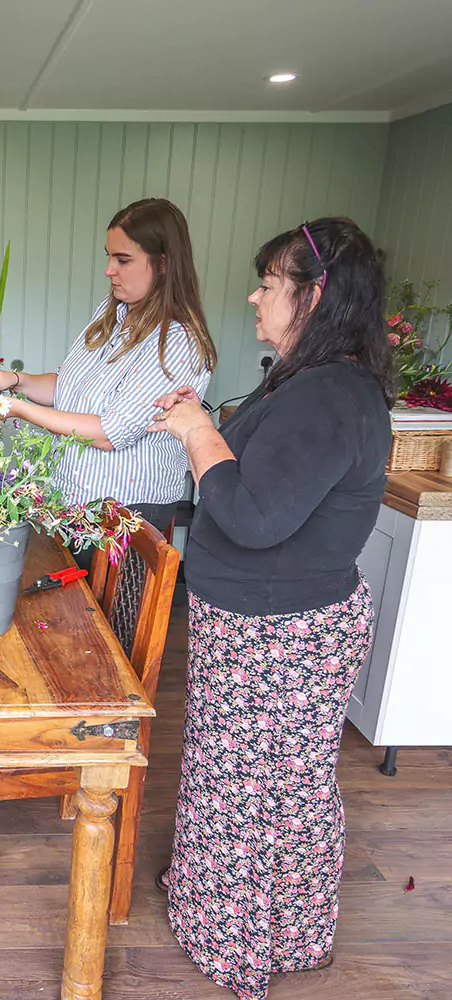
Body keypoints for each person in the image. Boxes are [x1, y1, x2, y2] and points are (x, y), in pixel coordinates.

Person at [147, 217, 393, 999]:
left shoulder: (330, 394)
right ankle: (221, 909)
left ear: (315, 294)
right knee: (241, 784)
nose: (254, 296)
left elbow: (255, 518)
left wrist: (194, 433)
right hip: (261, 632)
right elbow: (258, 471)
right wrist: (209, 423)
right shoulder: (308, 378)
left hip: (282, 641)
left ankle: (243, 949)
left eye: (268, 283)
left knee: (260, 796)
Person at [0, 198, 216, 560]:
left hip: (126, 511)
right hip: (75, 500)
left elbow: (110, 433)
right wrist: (13, 381)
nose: (109, 270)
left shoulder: (177, 341)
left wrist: (16, 409)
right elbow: (69, 387)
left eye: (123, 260)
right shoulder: (112, 315)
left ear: (164, 262)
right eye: (108, 256)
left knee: (99, 617)